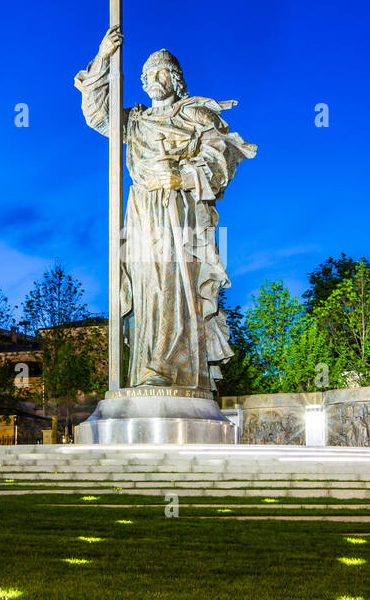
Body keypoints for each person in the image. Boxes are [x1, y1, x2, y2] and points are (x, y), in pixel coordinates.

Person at [76, 26, 257, 390]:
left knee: (175, 284)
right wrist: (103, 57)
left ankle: (172, 367)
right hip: (142, 213)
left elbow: (223, 156)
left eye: (163, 72)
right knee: (146, 287)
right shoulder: (135, 121)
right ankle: (148, 366)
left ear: (175, 80)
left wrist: (182, 177)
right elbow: (96, 113)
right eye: (149, 73)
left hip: (180, 213)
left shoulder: (195, 116)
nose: (155, 79)